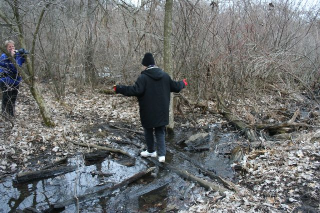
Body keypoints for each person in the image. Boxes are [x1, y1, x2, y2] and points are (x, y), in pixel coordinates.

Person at [114, 52, 187, 163]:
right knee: (160, 131)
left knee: (148, 130)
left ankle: (151, 151)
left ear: (145, 65)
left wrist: (119, 88)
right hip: (162, 111)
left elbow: (134, 90)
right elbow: (176, 87)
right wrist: (183, 83)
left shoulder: (143, 78)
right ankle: (162, 155)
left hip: (147, 111)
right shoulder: (165, 76)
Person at [0, 40, 26, 117]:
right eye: (9, 47)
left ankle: (11, 115)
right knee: (6, 98)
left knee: (13, 98)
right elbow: (13, 68)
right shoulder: (4, 56)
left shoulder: (18, 55)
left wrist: (23, 54)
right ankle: (4, 115)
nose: (11, 48)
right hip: (5, 80)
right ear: (6, 48)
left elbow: (20, 64)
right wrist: (11, 57)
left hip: (15, 81)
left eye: (13, 46)